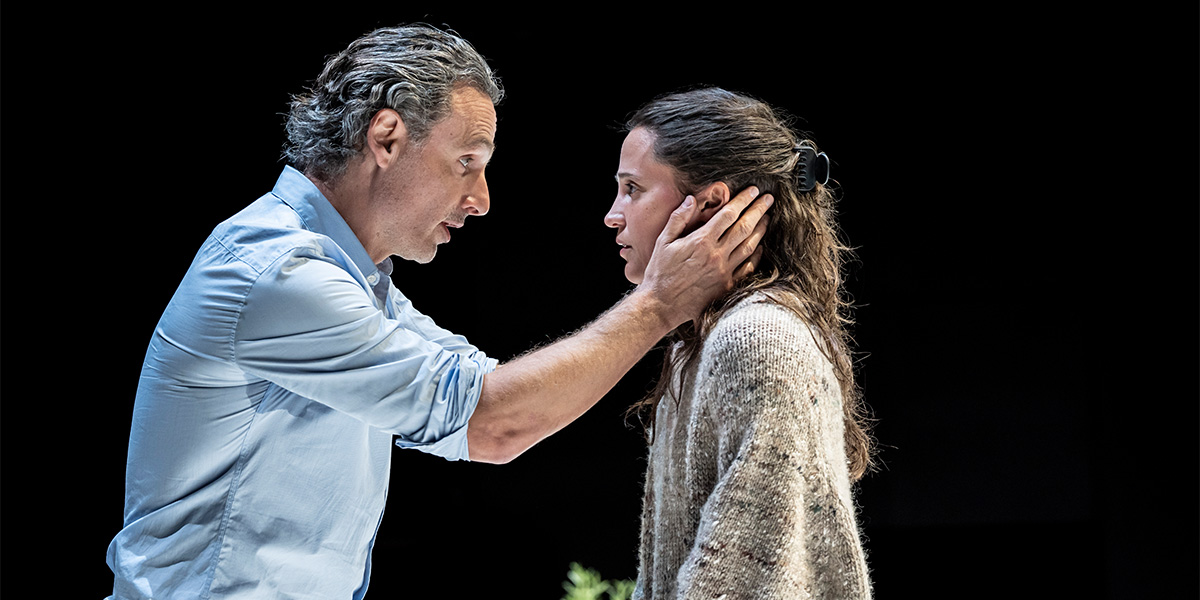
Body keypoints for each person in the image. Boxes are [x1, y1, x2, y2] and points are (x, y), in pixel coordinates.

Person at [106, 26, 771, 599]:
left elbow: (488, 390)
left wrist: (660, 306)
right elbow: (492, 424)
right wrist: (659, 304)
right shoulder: (279, 273)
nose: (481, 199)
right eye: (466, 162)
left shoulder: (351, 279)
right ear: (387, 137)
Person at [603, 87, 874, 598]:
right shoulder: (698, 339)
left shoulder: (758, 339)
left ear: (710, 204)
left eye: (632, 189)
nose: (613, 215)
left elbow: (744, 581)